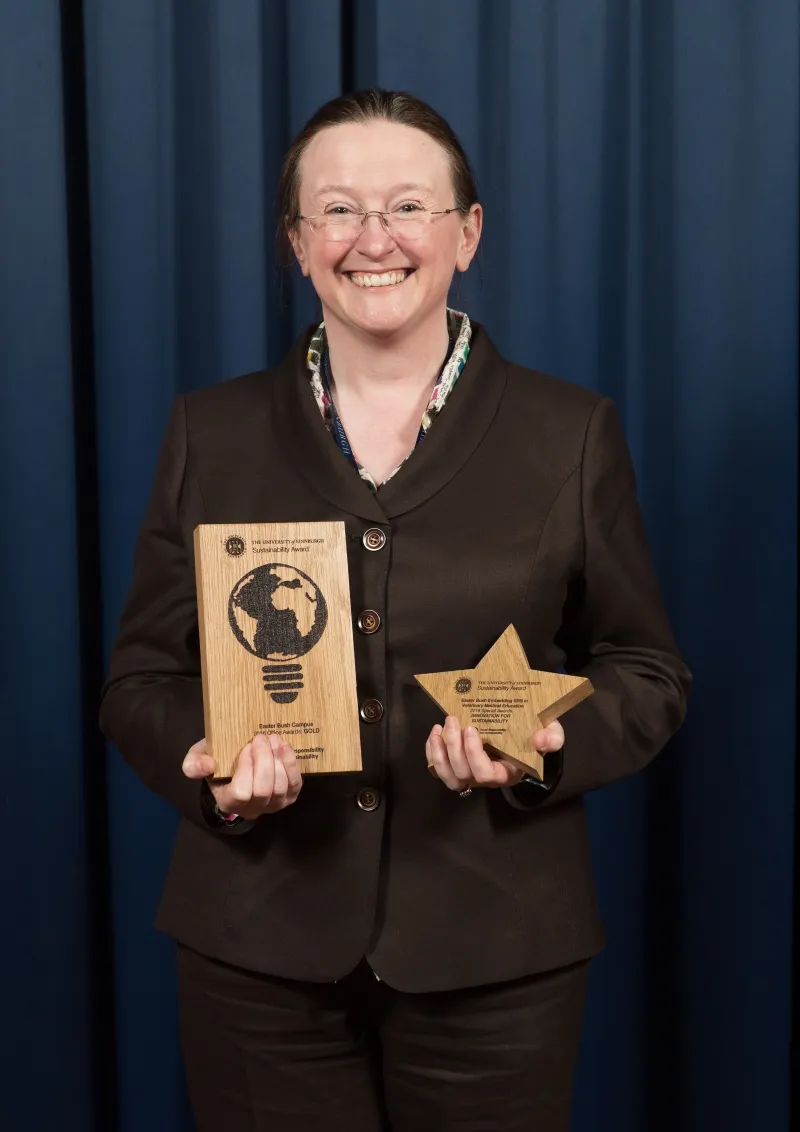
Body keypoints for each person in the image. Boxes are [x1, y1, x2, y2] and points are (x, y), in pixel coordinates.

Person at [100, 89, 691, 1132]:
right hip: (257, 949)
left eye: (407, 206)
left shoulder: (571, 434)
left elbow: (644, 670)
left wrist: (540, 747)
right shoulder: (211, 432)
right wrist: (206, 762)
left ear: (466, 233)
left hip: (497, 952)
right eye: (336, 210)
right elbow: (143, 677)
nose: (372, 239)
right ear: (295, 243)